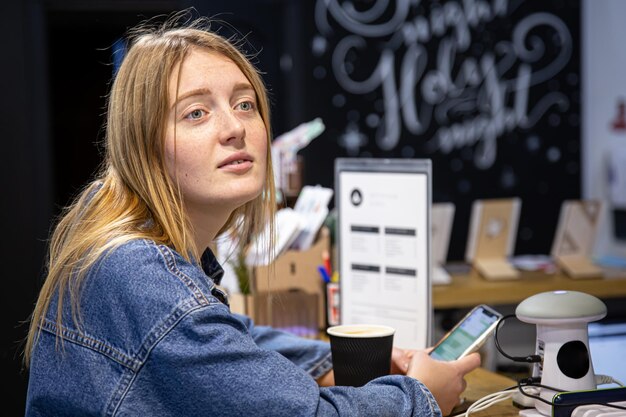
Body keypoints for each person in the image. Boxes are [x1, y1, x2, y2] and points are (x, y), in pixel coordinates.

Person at [24, 12, 480, 416]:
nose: (234, 127)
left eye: (245, 104)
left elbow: (226, 342)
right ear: (142, 145)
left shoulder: (112, 228)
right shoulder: (140, 274)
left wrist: (332, 364)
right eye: (196, 113)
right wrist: (421, 396)